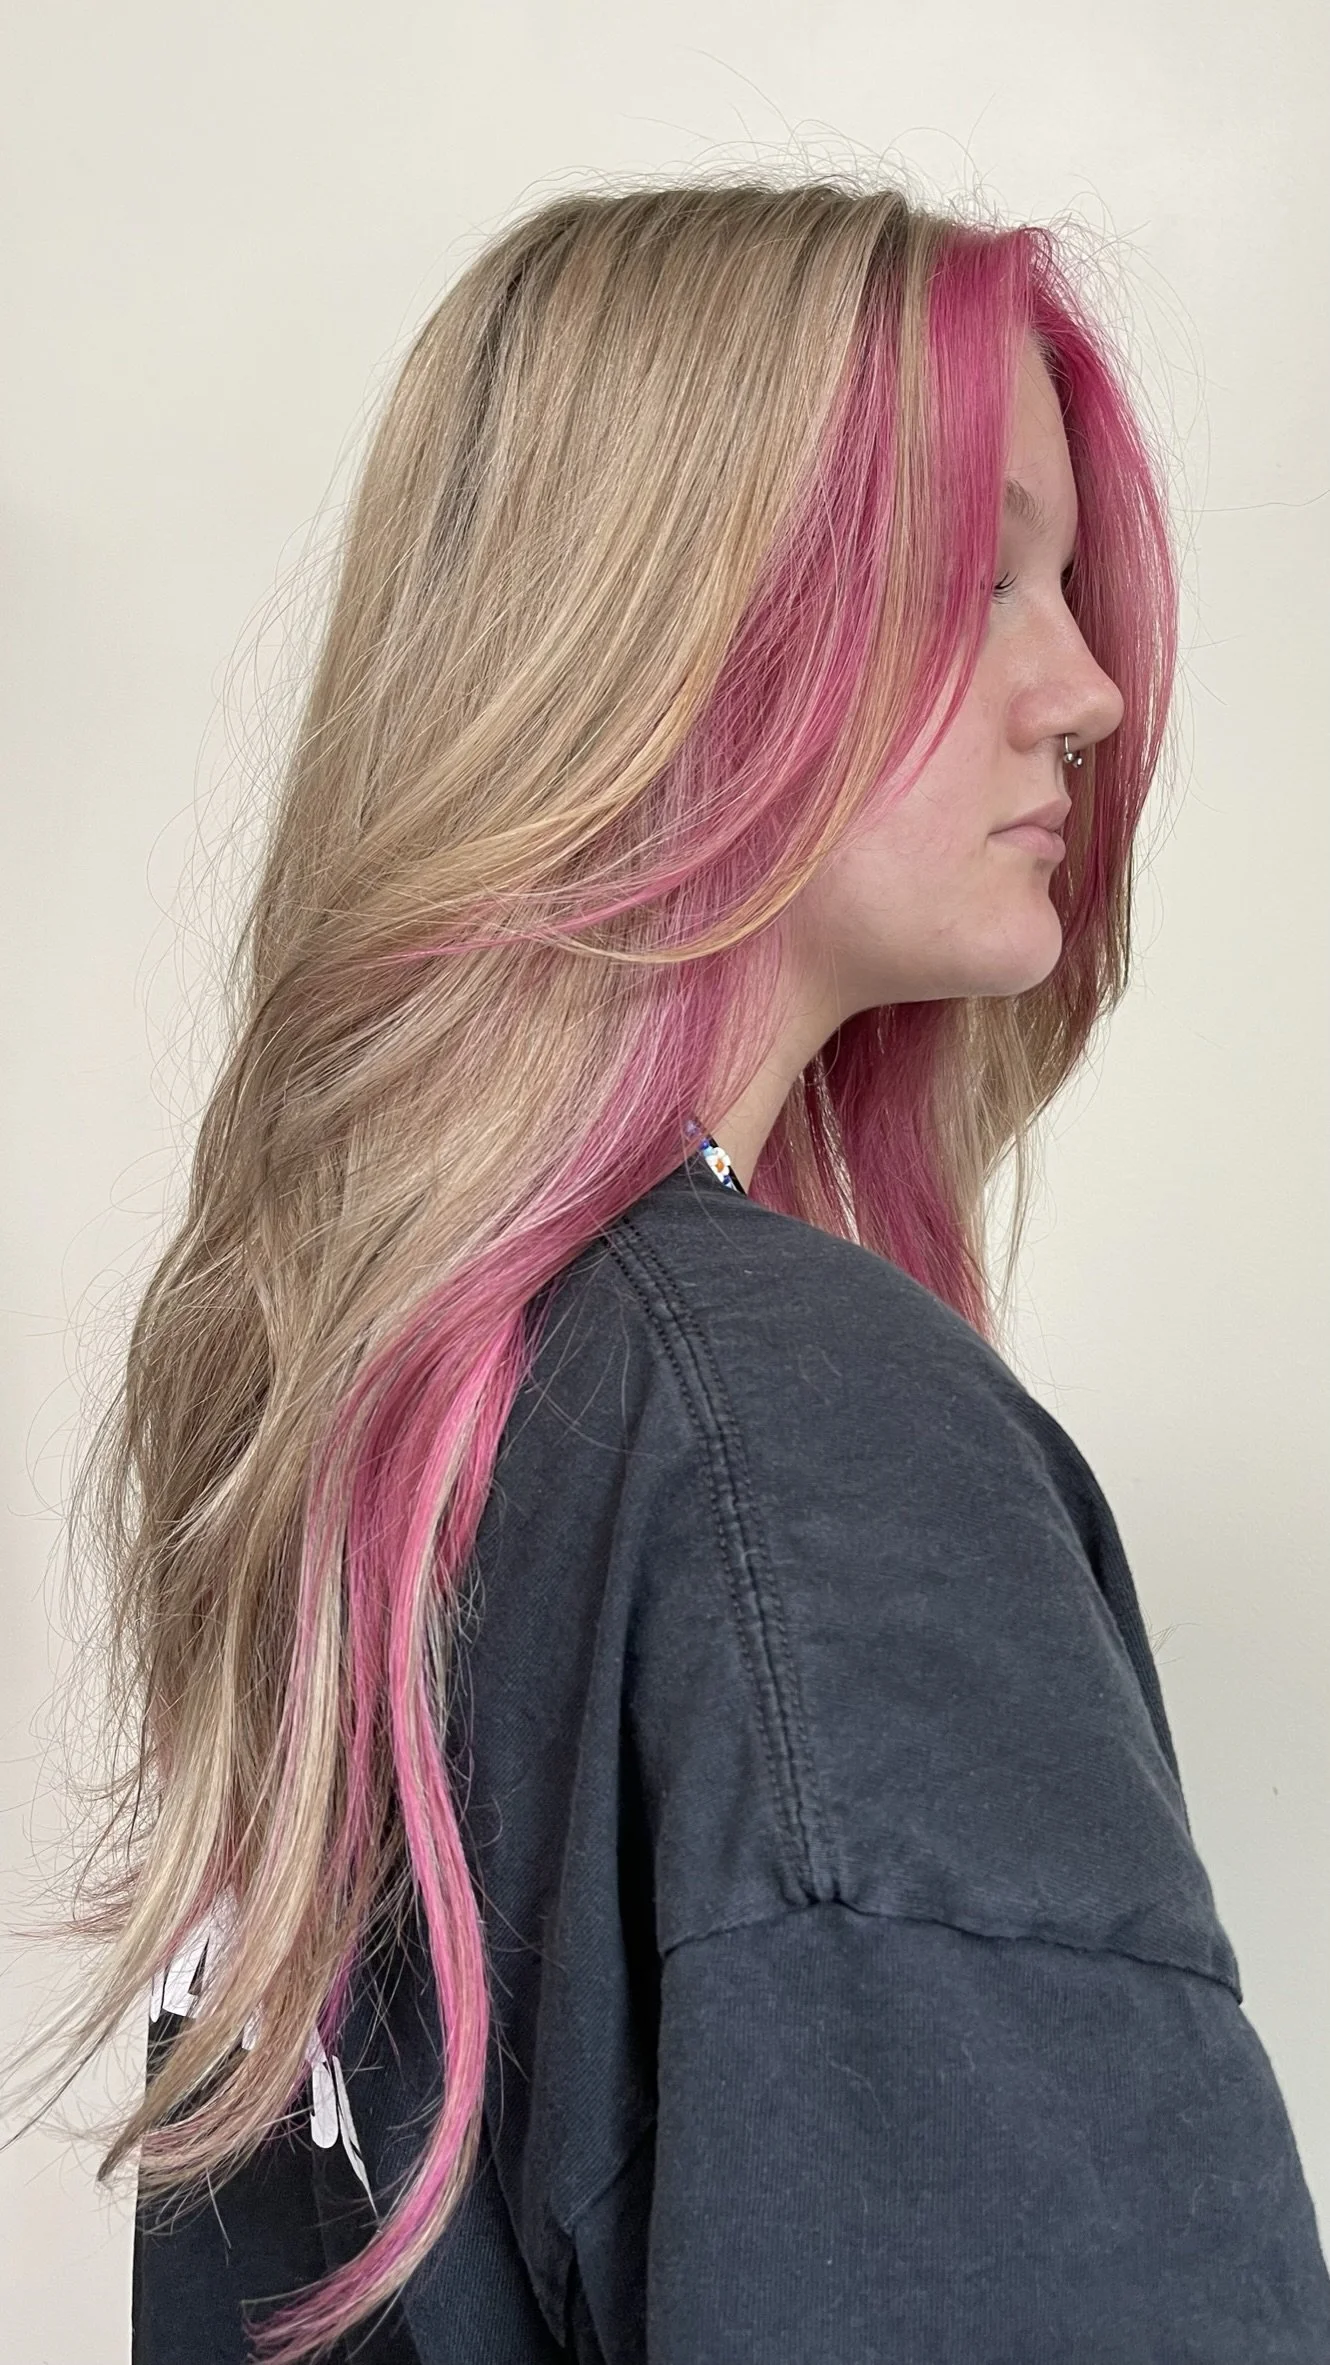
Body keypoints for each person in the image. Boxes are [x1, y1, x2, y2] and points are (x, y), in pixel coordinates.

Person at [18, 175, 1330, 2363]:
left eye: (1069, 585)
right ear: (670, 628)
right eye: (969, 576)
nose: (1089, 690)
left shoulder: (404, 1442)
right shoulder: (799, 1446)